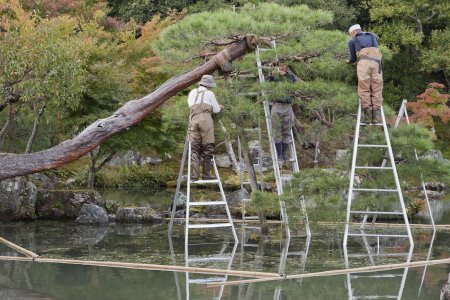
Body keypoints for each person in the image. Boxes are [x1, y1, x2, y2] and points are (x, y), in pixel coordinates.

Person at [347, 24, 383, 124]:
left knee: (364, 88)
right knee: (377, 87)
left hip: (364, 64)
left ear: (353, 32)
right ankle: (376, 117)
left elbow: (353, 59)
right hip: (377, 64)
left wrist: (348, 62)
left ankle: (367, 118)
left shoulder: (352, 41)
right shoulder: (373, 36)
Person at [187, 75, 221, 181]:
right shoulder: (209, 93)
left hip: (194, 120)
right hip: (205, 120)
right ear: (209, 86)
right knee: (208, 146)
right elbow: (216, 110)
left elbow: (190, 105)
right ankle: (206, 174)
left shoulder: (193, 92)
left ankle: (195, 175)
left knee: (195, 147)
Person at [268, 63, 297, 164]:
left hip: (287, 106)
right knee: (277, 130)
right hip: (277, 105)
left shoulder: (290, 77)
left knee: (287, 130)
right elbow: (268, 82)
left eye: (283, 66)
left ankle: (284, 153)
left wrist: (285, 75)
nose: (281, 68)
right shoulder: (274, 76)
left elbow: (293, 82)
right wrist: (273, 75)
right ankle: (279, 154)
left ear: (287, 68)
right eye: (280, 66)